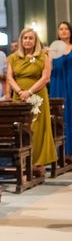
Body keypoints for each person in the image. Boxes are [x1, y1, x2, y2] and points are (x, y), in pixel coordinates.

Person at [6, 27, 57, 177]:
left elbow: (46, 78)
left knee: (37, 129)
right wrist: (20, 92)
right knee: (21, 130)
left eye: (31, 38)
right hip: (19, 96)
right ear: (21, 40)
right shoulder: (13, 57)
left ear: (36, 41)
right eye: (25, 38)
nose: (27, 41)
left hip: (38, 96)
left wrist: (30, 91)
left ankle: (37, 163)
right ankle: (22, 162)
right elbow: (9, 77)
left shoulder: (43, 56)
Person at [49, 21, 72, 163]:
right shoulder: (53, 48)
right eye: (61, 29)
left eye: (66, 29)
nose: (63, 31)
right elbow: (49, 68)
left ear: (70, 32)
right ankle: (60, 153)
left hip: (70, 83)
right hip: (58, 84)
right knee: (59, 117)